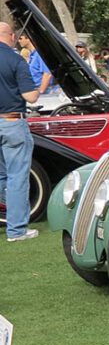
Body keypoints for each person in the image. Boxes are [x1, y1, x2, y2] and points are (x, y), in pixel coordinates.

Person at [0, 20, 41, 241]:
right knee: (17, 177)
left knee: (1, 176)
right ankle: (16, 230)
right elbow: (31, 96)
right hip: (11, 122)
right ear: (12, 36)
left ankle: (9, 213)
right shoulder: (16, 59)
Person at [17, 33, 52, 98]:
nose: (19, 41)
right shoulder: (32, 55)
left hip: (45, 93)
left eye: (20, 38)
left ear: (28, 38)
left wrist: (40, 92)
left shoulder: (39, 54)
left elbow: (47, 74)